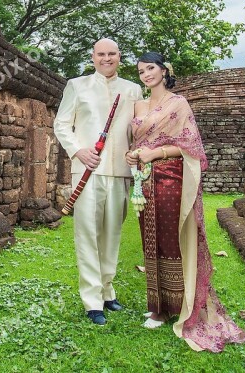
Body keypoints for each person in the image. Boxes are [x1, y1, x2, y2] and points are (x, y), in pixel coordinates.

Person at [125, 52, 245, 351]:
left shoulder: (178, 103)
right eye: (141, 71)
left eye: (151, 68)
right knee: (150, 239)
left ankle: (177, 305)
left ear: (164, 70)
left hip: (171, 178)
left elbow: (190, 146)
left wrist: (155, 154)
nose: (146, 74)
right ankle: (159, 304)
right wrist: (133, 155)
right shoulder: (139, 105)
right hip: (143, 180)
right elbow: (136, 143)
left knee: (171, 239)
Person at [54, 38, 143, 325]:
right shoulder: (76, 85)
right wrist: (78, 151)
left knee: (112, 235)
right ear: (92, 57)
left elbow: (138, 131)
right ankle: (92, 301)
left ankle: (108, 290)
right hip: (88, 170)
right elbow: (62, 124)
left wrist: (138, 154)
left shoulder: (133, 89)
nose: (107, 58)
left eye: (112, 54)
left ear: (120, 56)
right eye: (101, 54)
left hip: (120, 170)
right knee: (88, 234)